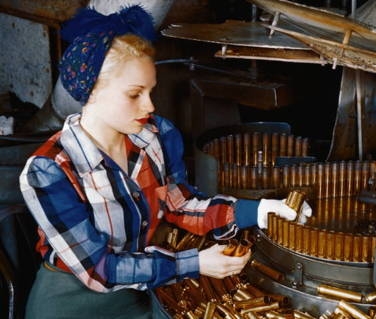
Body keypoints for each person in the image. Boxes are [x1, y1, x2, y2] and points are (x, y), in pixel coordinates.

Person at [19, 5, 311, 319]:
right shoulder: (49, 170)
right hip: (73, 304)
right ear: (90, 91)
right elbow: (99, 270)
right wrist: (196, 264)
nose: (150, 105)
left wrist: (260, 211)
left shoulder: (154, 136)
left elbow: (179, 204)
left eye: (150, 90)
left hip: (140, 290)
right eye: (134, 94)